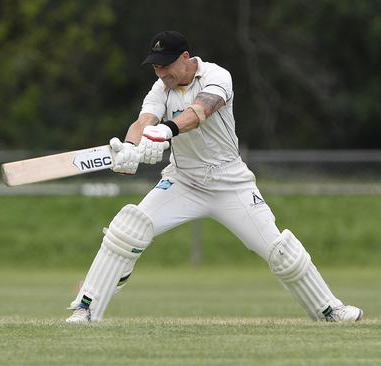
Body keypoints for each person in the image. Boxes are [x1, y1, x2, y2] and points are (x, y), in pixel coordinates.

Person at [66, 31, 362, 323]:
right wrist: (131, 147)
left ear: (185, 58)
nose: (161, 72)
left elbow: (200, 110)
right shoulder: (161, 88)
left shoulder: (216, 76)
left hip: (230, 183)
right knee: (127, 229)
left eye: (166, 65)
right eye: (156, 66)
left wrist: (166, 130)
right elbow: (144, 121)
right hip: (182, 182)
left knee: (280, 252)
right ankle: (87, 310)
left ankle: (330, 310)